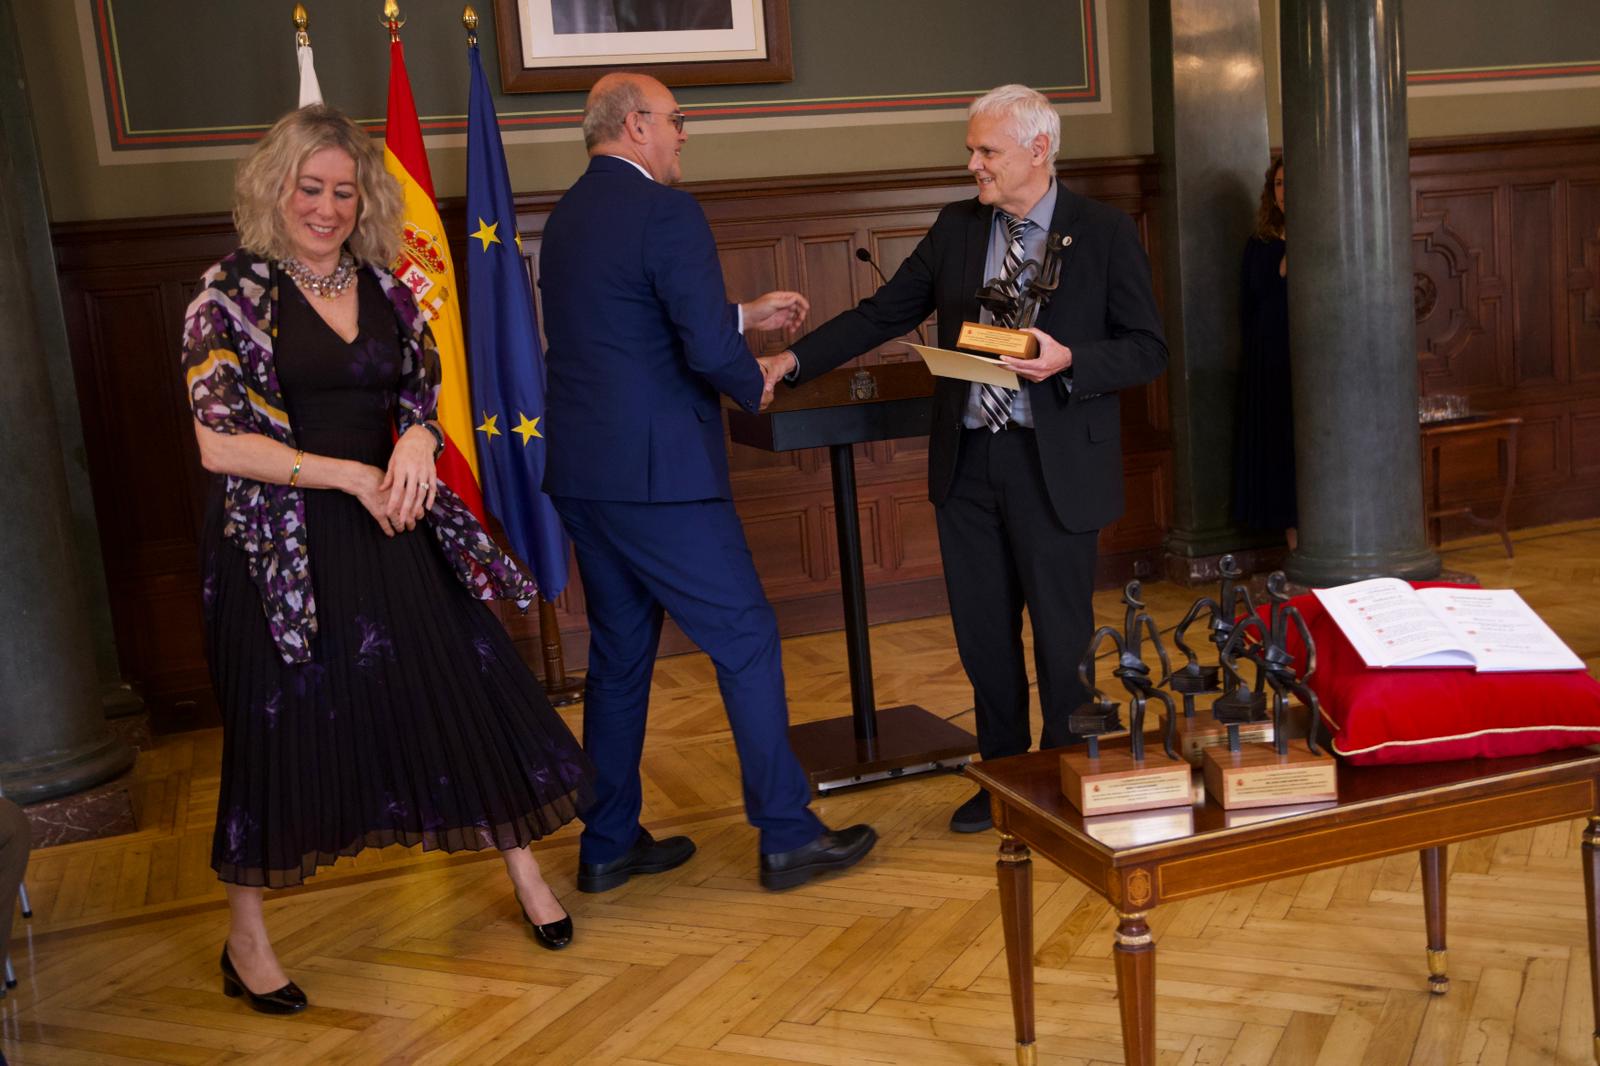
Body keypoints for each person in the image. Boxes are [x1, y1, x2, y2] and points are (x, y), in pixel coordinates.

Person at [180, 105, 595, 1014]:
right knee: (276, 729)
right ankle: (245, 939)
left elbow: (419, 386)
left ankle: (525, 875)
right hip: (280, 547)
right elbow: (220, 443)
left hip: (395, 519)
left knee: (462, 686)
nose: (326, 207)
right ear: (274, 188)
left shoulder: (386, 282)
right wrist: (351, 475)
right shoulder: (228, 293)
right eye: (310, 189)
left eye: (342, 190)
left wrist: (412, 443)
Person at [766, 84, 1169, 833]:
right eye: (971, 152)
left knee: (1060, 640)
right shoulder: (957, 228)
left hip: (1056, 467)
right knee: (984, 639)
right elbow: (882, 314)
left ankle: (1060, 777)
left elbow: (1148, 348)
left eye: (988, 152)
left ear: (1039, 150)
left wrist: (1069, 358)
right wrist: (790, 362)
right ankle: (1004, 777)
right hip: (970, 464)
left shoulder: (1104, 232)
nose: (975, 166)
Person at [539, 73, 876, 893]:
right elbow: (694, 343)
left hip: (588, 474)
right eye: (676, 120)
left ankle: (609, 841)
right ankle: (788, 834)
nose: (685, 133)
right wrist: (747, 373)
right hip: (662, 482)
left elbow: (630, 316)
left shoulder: (568, 215)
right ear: (634, 124)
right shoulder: (666, 210)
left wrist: (741, 314)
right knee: (748, 639)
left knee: (620, 658)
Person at [1234, 157, 1297, 547]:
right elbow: (1255, 301)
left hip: (1316, 362)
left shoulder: (1327, 235)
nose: (1283, 191)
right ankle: (1294, 547)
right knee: (1281, 449)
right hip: (1272, 359)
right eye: (1277, 183)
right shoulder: (1260, 244)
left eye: (1290, 183)